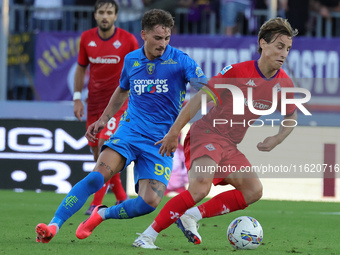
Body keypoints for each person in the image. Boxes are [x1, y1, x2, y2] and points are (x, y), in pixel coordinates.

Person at [35, 8, 206, 244]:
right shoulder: (132, 59)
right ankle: (53, 225)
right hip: (130, 132)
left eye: (167, 38)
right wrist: (104, 119)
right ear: (144, 34)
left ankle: (102, 213)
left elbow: (204, 92)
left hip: (161, 141)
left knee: (149, 203)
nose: (163, 44)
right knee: (97, 177)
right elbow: (123, 89)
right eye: (158, 38)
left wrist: (175, 131)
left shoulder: (181, 61)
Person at [133, 17, 298, 249]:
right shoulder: (237, 72)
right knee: (201, 187)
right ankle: (147, 236)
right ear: (263, 43)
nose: (284, 53)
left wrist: (278, 138)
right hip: (207, 134)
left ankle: (191, 216)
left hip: (229, 145)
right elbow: (200, 98)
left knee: (253, 190)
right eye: (280, 46)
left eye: (288, 49)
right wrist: (174, 131)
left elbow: (291, 116)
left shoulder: (285, 84)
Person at [73, 0, 138, 216]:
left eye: (109, 12)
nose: (105, 16)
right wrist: (76, 98)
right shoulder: (86, 38)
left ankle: (96, 204)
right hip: (94, 105)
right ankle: (121, 197)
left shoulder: (128, 40)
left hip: (118, 104)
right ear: (95, 15)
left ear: (116, 16)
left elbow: (138, 69)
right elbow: (81, 69)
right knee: (97, 154)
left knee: (104, 146)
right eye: (101, 12)